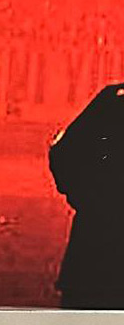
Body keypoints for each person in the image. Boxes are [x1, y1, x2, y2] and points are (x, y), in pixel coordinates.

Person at [48, 84, 124, 310]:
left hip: (95, 244)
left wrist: (87, 200)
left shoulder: (113, 100)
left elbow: (62, 154)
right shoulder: (114, 100)